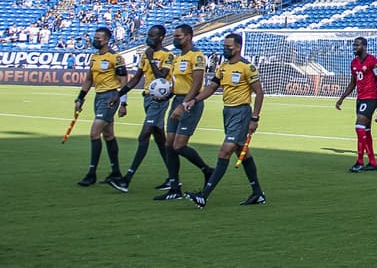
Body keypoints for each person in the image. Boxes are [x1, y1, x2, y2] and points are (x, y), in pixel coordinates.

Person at [182, 33, 265, 207]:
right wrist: (195, 100)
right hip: (227, 112)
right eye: (224, 46)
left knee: (224, 151)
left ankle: (204, 195)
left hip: (241, 112)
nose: (225, 49)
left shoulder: (247, 67)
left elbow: (259, 93)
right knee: (242, 151)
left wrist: (254, 118)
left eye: (229, 47)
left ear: (238, 47)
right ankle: (257, 193)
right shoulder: (223, 67)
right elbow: (212, 87)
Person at [110, 24, 173, 192]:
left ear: (160, 37)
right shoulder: (146, 54)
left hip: (159, 100)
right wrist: (120, 94)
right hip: (147, 99)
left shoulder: (168, 55)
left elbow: (162, 77)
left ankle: (127, 179)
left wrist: (152, 60)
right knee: (160, 139)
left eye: (152, 36)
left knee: (144, 135)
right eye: (148, 35)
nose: (149, 38)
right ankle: (174, 179)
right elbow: (136, 78)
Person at [158, 24, 215, 200]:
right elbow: (177, 83)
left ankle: (208, 170)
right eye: (175, 36)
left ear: (189, 36)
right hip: (177, 100)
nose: (176, 39)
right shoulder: (177, 57)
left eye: (179, 36)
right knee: (169, 144)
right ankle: (174, 188)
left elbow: (197, 84)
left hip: (190, 103)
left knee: (178, 145)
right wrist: (165, 95)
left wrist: (183, 105)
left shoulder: (196, 56)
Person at [74, 26, 128, 187]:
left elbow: (124, 80)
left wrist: (123, 102)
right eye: (95, 37)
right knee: (109, 135)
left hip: (110, 96)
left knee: (94, 133)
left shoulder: (115, 58)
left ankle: (91, 173)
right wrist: (80, 98)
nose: (95, 40)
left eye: (99, 38)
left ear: (106, 40)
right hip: (98, 97)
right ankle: (116, 172)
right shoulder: (94, 58)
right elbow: (89, 79)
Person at [334, 36, 377, 172]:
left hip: (371, 98)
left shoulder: (373, 61)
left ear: (364, 46)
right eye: (354, 45)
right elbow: (353, 83)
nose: (354, 48)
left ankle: (360, 161)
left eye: (357, 45)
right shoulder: (354, 63)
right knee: (366, 131)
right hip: (360, 99)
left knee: (359, 127)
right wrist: (342, 98)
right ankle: (373, 163)